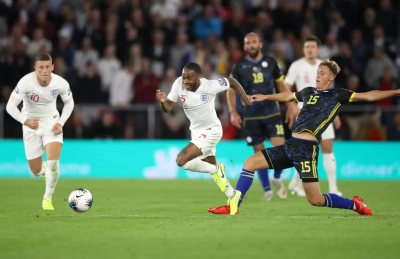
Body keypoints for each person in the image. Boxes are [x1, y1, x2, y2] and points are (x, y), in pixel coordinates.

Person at [226, 59, 399, 215]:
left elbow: (369, 95)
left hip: (306, 151)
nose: (317, 75)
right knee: (250, 162)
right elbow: (288, 96)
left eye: (322, 73)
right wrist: (266, 97)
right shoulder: (308, 92)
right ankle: (234, 206)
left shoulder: (338, 95)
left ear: (330, 78)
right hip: (291, 145)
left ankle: (355, 205)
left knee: (315, 199)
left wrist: (396, 91)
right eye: (317, 72)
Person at [208, 32, 296, 215]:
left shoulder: (272, 63)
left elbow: (281, 86)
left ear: (260, 44)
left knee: (279, 149)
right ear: (245, 46)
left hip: (272, 112)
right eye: (248, 43)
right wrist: (233, 111)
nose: (251, 45)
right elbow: (230, 91)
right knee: (259, 154)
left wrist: (291, 105)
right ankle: (267, 190)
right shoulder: (239, 66)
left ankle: (277, 178)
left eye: (254, 42)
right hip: (251, 117)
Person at [156, 62, 252, 199]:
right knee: (208, 164)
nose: (186, 81)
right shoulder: (179, 83)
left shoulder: (209, 86)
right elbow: (168, 108)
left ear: (199, 77)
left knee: (181, 160)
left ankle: (217, 169)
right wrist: (163, 101)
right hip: (196, 132)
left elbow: (231, 81)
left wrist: (245, 100)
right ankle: (233, 196)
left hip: (212, 130)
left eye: (189, 78)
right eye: (184, 77)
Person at [6, 53, 74, 210]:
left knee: (54, 163)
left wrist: (60, 123)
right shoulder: (25, 83)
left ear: (52, 67)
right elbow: (10, 106)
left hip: (51, 122)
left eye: (47, 67)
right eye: (41, 67)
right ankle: (43, 171)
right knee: (35, 171)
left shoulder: (60, 83)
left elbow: (69, 103)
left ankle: (47, 199)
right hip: (31, 125)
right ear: (35, 68)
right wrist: (25, 121)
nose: (44, 70)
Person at [285, 36, 342, 196]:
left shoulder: (324, 66)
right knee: (303, 149)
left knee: (328, 148)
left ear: (318, 49)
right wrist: (291, 106)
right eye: (306, 47)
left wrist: (335, 113)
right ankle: (295, 183)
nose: (309, 49)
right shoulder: (297, 66)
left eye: (312, 47)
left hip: (324, 111)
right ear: (303, 49)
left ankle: (333, 188)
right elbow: (286, 86)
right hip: (305, 113)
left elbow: (332, 92)